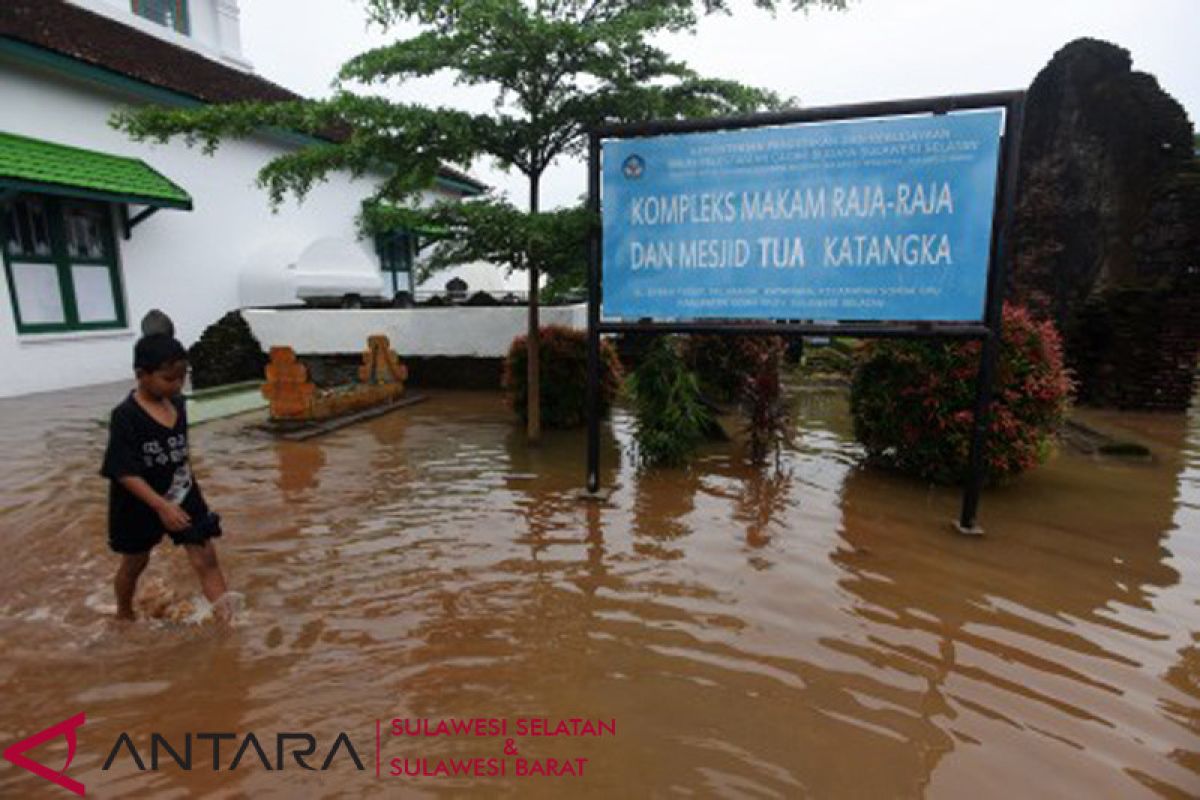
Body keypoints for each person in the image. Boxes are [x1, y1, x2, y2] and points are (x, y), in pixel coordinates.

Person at [101, 333, 229, 621]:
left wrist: (180, 498)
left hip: (182, 491)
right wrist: (161, 506)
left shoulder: (178, 405)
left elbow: (179, 452)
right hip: (138, 500)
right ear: (141, 375)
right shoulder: (125, 416)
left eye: (182, 378)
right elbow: (122, 470)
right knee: (135, 562)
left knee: (206, 557)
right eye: (168, 379)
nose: (177, 385)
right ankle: (124, 614)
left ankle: (227, 622)